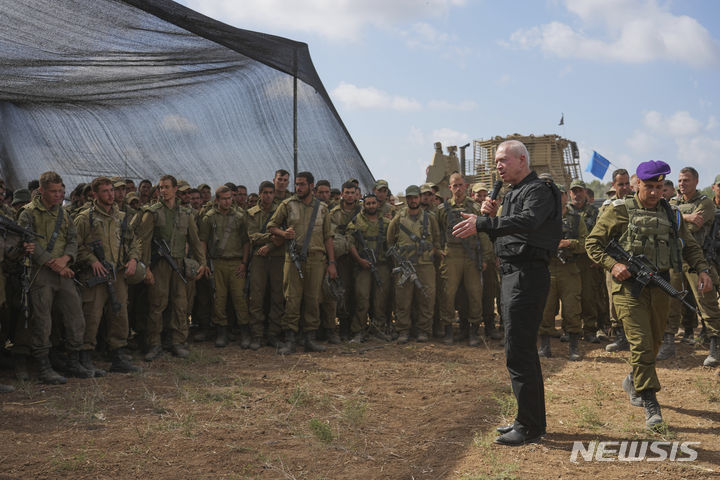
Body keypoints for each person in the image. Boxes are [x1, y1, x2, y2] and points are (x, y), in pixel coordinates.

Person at [586, 160, 712, 431]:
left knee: (654, 343)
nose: (655, 193)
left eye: (659, 187)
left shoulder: (672, 213)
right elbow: (592, 243)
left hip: (660, 286)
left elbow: (689, 246)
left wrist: (702, 270)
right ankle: (650, 402)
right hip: (629, 289)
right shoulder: (619, 211)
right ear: (637, 185)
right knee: (642, 344)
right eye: (649, 187)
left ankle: (634, 378)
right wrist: (614, 265)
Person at [452, 139, 561, 445]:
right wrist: (490, 219)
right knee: (517, 349)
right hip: (513, 274)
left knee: (519, 350)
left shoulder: (539, 189)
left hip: (528, 274)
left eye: (502, 160)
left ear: (522, 160)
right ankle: (527, 419)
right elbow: (506, 233)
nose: (497, 165)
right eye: (496, 161)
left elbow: (528, 222)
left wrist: (487, 221)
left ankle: (529, 426)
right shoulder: (512, 192)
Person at [17, 171, 94, 383]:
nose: (59, 195)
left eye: (61, 191)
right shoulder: (28, 213)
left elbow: (72, 239)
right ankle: (43, 366)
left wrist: (67, 258)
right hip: (40, 274)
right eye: (54, 191)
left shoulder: (63, 214)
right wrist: (56, 265)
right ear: (41, 191)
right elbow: (30, 245)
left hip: (64, 270)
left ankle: (73, 360)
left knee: (75, 314)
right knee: (42, 320)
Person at [74, 177, 141, 374]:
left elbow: (134, 242)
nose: (111, 194)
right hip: (95, 275)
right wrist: (92, 260)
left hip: (117, 273)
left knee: (119, 314)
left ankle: (118, 355)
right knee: (91, 316)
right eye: (105, 191)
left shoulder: (121, 217)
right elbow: (75, 246)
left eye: (112, 190)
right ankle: (85, 356)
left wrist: (133, 260)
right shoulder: (85, 218)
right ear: (94, 195)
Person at [137, 175, 208, 361]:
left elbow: (194, 241)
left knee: (180, 304)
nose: (163, 191)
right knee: (157, 304)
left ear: (176, 189)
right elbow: (142, 242)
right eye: (161, 187)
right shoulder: (152, 213)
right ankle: (154, 343)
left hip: (179, 264)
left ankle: (178, 342)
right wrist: (145, 268)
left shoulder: (186, 214)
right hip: (159, 265)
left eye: (167, 187)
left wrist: (202, 263)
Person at [267, 171, 337, 354]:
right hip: (294, 259)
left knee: (313, 299)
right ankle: (290, 340)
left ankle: (310, 339)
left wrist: (332, 263)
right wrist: (284, 234)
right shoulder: (287, 205)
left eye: (302, 184)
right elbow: (271, 226)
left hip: (316, 259)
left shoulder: (322, 208)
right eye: (296, 184)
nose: (298, 188)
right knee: (292, 299)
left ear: (311, 186)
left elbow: (328, 237)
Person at [657, 167, 720, 365]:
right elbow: (663, 222)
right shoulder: (673, 203)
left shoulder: (705, 202)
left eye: (686, 180)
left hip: (697, 260)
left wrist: (678, 219)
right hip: (675, 261)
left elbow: (691, 228)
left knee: (706, 302)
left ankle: (715, 347)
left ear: (696, 181)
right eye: (680, 180)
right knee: (670, 302)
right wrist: (685, 217)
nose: (682, 184)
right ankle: (668, 344)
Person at [437, 173, 493, 346]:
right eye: (455, 186)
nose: (458, 189)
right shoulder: (441, 209)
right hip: (451, 255)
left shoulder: (475, 208)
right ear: (450, 187)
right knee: (448, 294)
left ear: (466, 186)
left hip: (471, 256)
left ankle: (474, 331)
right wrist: (439, 251)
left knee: (475, 294)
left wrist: (485, 257)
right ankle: (448, 330)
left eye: (461, 185)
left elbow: (483, 233)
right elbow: (437, 233)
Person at [538, 185, 587, 360]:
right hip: (548, 268)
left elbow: (586, 244)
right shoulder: (543, 218)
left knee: (572, 309)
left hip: (569, 270)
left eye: (560, 195)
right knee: (545, 308)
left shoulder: (576, 219)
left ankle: (573, 347)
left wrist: (568, 244)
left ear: (566, 196)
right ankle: (545, 346)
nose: (557, 199)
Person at [386, 185, 441, 344]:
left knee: (426, 297)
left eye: (415, 197)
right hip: (404, 266)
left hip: (425, 265)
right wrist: (398, 259)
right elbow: (390, 241)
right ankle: (403, 330)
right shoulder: (398, 217)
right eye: (409, 198)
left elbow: (437, 239)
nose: (412, 200)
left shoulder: (429, 218)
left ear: (419, 198)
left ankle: (424, 330)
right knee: (403, 299)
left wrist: (433, 252)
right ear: (406, 199)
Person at [199, 185, 250, 348]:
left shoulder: (240, 217)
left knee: (239, 298)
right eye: (224, 198)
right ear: (217, 200)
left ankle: (244, 332)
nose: (228, 201)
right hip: (218, 263)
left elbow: (246, 242)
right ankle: (222, 332)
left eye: (230, 198)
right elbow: (203, 241)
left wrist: (244, 263)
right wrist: (204, 263)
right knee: (219, 299)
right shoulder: (209, 217)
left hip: (236, 263)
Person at [346, 193, 392, 342]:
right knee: (362, 299)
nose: (371, 206)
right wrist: (360, 260)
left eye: (373, 203)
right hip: (363, 267)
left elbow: (392, 243)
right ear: (363, 205)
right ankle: (358, 331)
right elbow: (350, 243)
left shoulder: (386, 223)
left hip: (382, 266)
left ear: (378, 204)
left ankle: (378, 329)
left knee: (380, 300)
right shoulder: (356, 222)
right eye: (368, 203)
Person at [247, 181, 285, 348]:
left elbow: (285, 234)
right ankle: (256, 334)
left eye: (271, 192)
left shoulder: (281, 210)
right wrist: (270, 238)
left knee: (277, 296)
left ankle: (274, 334)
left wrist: (270, 246)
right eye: (265, 192)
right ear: (260, 194)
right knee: (256, 297)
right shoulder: (252, 213)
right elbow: (252, 236)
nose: (268, 195)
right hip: (259, 259)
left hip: (277, 258)